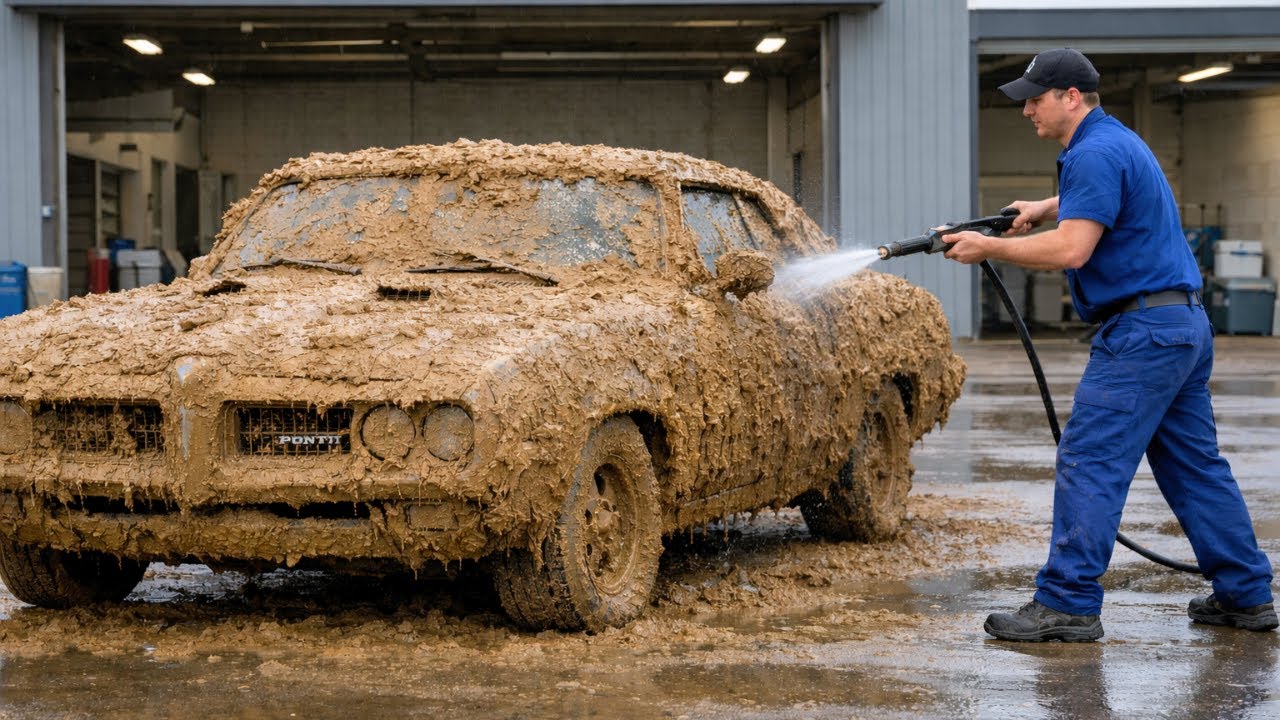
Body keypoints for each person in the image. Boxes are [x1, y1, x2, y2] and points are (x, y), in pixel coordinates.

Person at [944, 48, 1276, 642]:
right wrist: (1045, 206)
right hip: (1182, 327)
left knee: (1089, 458)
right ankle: (1246, 597)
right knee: (1196, 468)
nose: (1026, 111)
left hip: (1143, 334)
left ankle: (1067, 603)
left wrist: (985, 247)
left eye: (1035, 99)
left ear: (1071, 96)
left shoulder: (1091, 153)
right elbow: (1107, 203)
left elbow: (1072, 250)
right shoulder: (1115, 140)